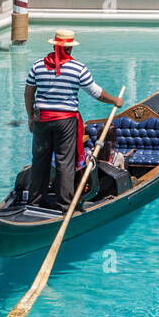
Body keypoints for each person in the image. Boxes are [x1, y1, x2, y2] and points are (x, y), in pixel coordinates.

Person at [23, 29, 123, 209]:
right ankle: (64, 204)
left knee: (40, 161)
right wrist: (115, 100)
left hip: (42, 119)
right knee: (64, 161)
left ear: (54, 46)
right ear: (69, 47)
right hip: (65, 122)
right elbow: (96, 93)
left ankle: (34, 201)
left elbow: (28, 94)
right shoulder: (78, 68)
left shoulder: (37, 66)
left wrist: (31, 117)